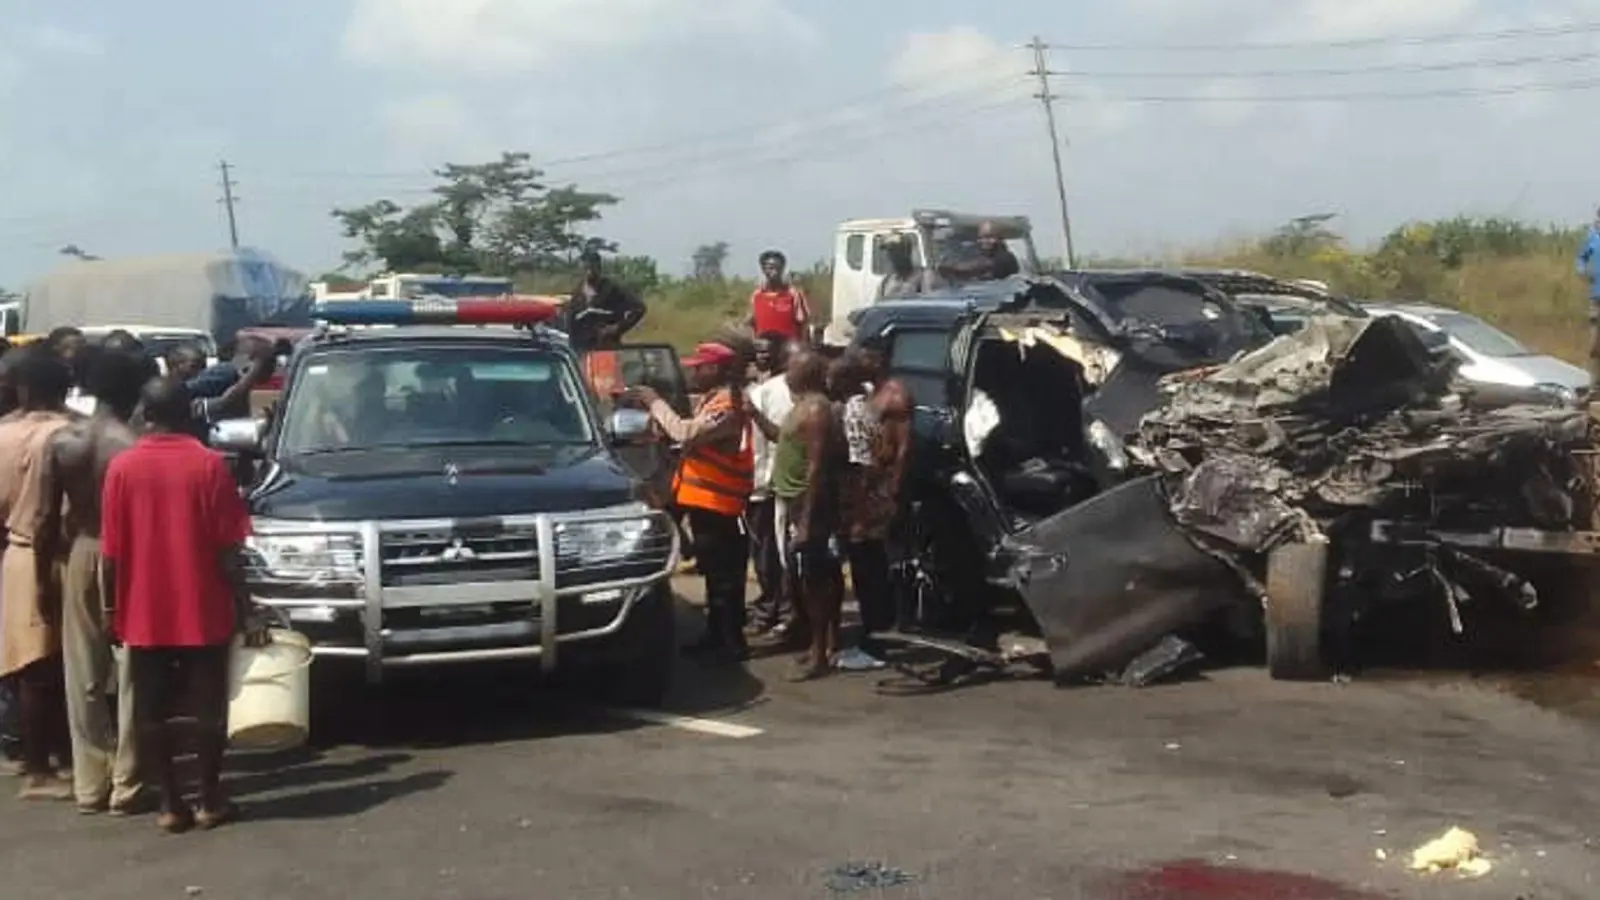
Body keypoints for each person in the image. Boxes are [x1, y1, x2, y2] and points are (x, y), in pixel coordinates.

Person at [101, 376, 268, 833]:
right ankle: (210, 799)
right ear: (188, 413)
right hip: (204, 604)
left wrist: (111, 612)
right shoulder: (210, 465)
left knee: (151, 709)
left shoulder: (122, 468)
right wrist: (247, 605)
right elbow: (229, 549)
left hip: (142, 607)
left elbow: (111, 552)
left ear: (145, 415)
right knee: (208, 706)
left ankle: (171, 805)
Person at [36, 349, 157, 814]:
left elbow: (47, 518)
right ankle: (127, 782)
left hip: (81, 550)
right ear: (134, 393)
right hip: (129, 555)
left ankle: (90, 784)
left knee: (82, 673)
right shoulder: (134, 446)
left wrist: (45, 577)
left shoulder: (64, 441)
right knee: (132, 672)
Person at [630, 342, 752, 663]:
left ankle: (730, 643)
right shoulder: (714, 400)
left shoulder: (727, 404)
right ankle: (716, 637)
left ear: (716, 369)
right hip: (705, 503)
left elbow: (685, 433)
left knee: (724, 580)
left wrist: (655, 403)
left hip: (720, 506)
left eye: (700, 367)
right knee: (713, 575)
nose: (693, 372)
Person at [0, 347, 77, 799]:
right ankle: (44, 767)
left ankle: (36, 759)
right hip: (59, 554)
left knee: (27, 665)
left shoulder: (4, 435)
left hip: (16, 551)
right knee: (52, 667)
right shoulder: (71, 434)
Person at [766, 349, 845, 680]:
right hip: (793, 499)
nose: (786, 372)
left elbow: (816, 468)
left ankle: (819, 655)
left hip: (806, 502)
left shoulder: (815, 410)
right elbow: (783, 440)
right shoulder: (801, 405)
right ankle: (823, 645)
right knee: (809, 577)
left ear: (808, 374)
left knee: (814, 580)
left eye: (792, 368)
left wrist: (807, 520)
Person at [833, 347, 912, 670]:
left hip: (875, 493)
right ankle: (873, 634)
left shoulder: (894, 394)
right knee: (864, 567)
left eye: (864, 355)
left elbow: (903, 449)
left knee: (872, 568)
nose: (858, 360)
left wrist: (890, 490)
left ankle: (877, 643)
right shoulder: (869, 392)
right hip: (861, 489)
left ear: (879, 359)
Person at [743, 333, 797, 639]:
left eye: (768, 351)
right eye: (757, 351)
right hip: (765, 484)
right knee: (767, 553)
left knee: (779, 553)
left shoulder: (772, 393)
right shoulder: (763, 391)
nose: (762, 356)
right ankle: (772, 606)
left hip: (779, 485)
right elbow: (755, 445)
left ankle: (781, 610)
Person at [565, 250, 646, 352]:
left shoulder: (612, 288)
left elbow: (639, 308)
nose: (589, 272)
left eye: (592, 267)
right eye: (586, 268)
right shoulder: (577, 295)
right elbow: (571, 324)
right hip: (584, 350)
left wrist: (617, 327)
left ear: (599, 268)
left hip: (608, 347)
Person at [748, 251, 812, 345]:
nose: (774, 272)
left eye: (778, 267)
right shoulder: (757, 295)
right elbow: (750, 323)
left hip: (788, 348)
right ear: (763, 270)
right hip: (762, 346)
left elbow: (802, 323)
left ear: (783, 268)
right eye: (770, 268)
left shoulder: (793, 294)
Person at [940, 221, 1021, 284]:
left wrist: (949, 268)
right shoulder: (974, 252)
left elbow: (977, 266)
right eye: (981, 237)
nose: (984, 241)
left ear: (999, 238)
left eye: (990, 237)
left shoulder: (1006, 258)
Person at [1576, 208, 1600, 391]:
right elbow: (1581, 257)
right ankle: (1593, 382)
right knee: (1594, 344)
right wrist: (1582, 270)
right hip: (1596, 296)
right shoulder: (1592, 237)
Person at [876, 235, 940, 300]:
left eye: (894, 251)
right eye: (889, 252)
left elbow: (930, 304)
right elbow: (878, 306)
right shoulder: (885, 282)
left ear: (907, 252)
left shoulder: (924, 277)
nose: (891, 256)